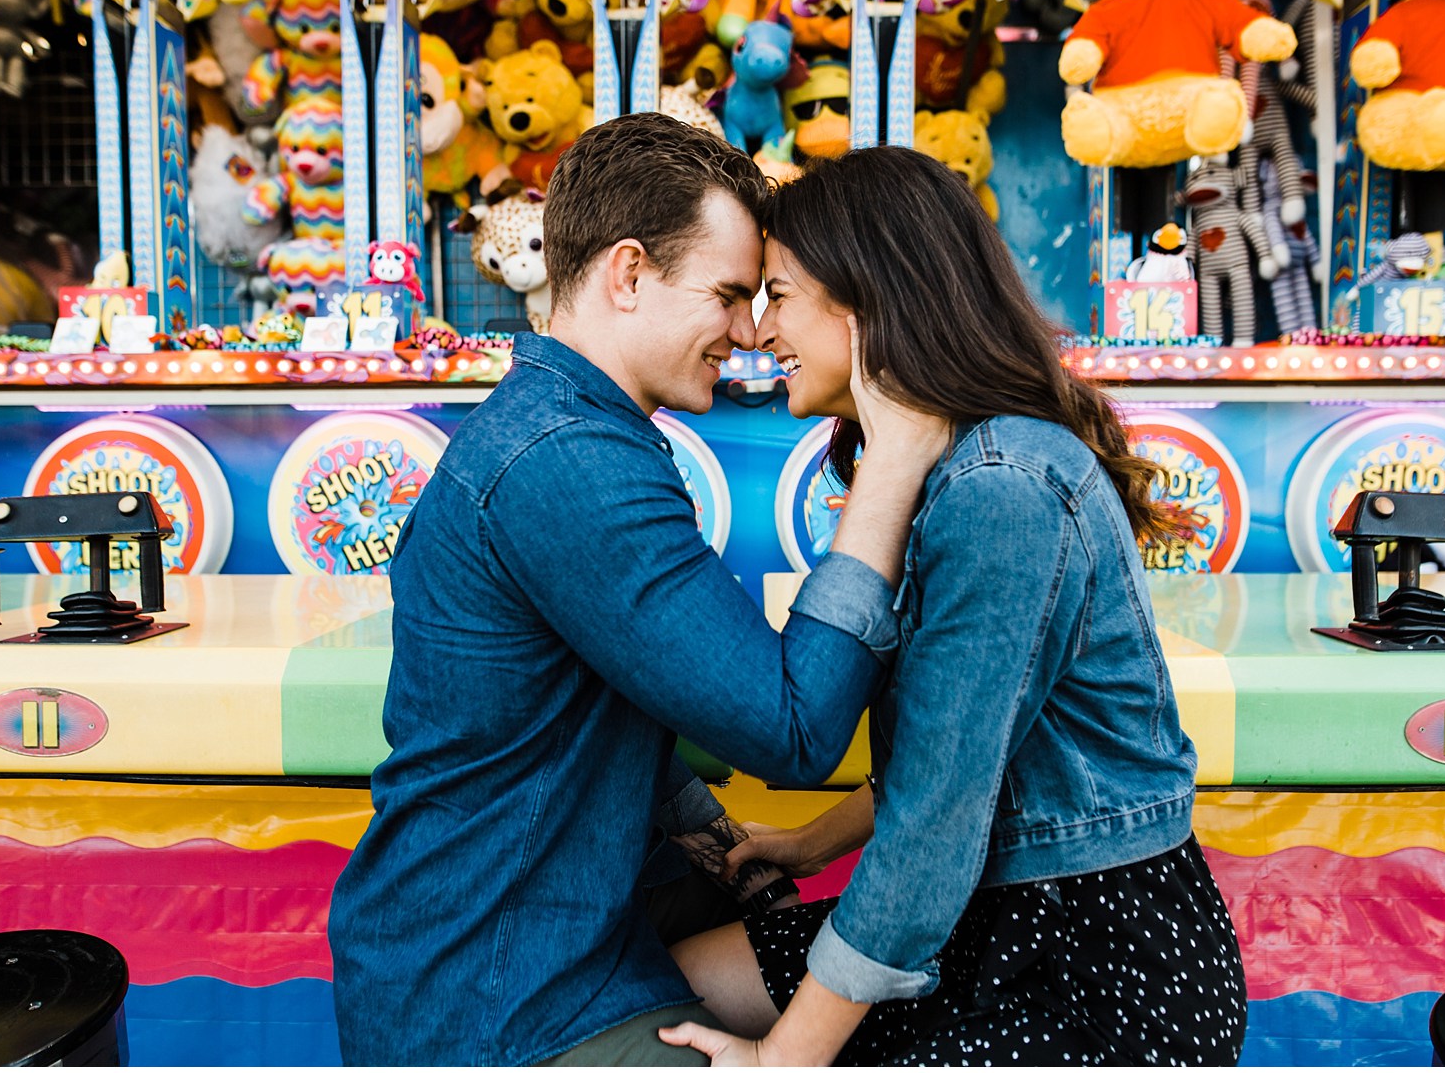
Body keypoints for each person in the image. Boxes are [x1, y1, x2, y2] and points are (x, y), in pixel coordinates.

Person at [327, 114, 952, 1066]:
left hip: (533, 955)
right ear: (628, 274)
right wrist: (894, 467)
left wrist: (712, 838)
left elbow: (595, 699)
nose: (750, 333)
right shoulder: (568, 464)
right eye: (730, 295)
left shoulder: (560, 432)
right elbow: (793, 729)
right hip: (499, 1003)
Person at [659, 146, 1248, 1067]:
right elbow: (962, 747)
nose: (755, 329)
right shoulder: (948, 462)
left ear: (866, 299)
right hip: (998, 911)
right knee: (675, 982)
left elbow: (936, 823)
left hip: (1090, 963)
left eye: (777, 293)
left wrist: (784, 1061)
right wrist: (811, 844)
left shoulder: (999, 488)